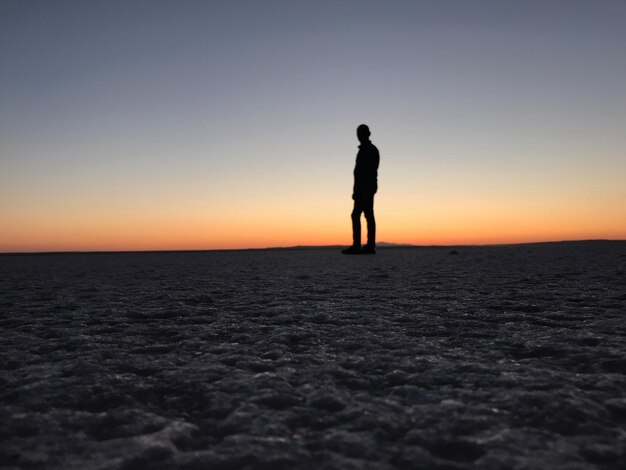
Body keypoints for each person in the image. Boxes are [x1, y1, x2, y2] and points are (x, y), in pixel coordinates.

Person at [342, 124, 379, 255]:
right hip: (360, 189)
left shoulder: (370, 150)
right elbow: (358, 173)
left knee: (365, 214)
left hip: (366, 188)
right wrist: (356, 191)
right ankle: (362, 245)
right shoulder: (363, 150)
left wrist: (367, 190)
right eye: (358, 133)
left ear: (368, 134)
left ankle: (367, 246)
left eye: (362, 133)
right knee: (362, 214)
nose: (359, 136)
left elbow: (370, 172)